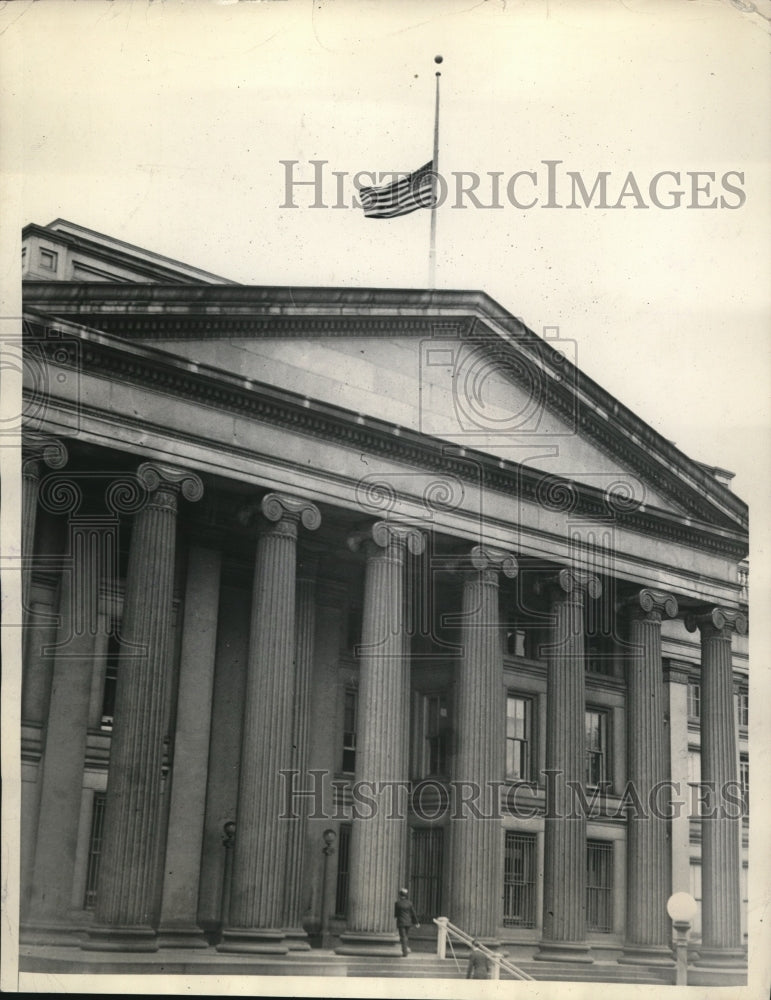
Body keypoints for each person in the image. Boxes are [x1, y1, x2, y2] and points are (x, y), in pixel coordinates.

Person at [393, 888, 420, 956]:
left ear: (400, 895)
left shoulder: (397, 903)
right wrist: (416, 922)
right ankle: (405, 949)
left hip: (401, 922)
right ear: (406, 895)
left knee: (403, 937)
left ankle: (404, 952)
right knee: (406, 936)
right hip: (408, 922)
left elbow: (396, 914)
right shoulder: (409, 903)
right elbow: (413, 913)